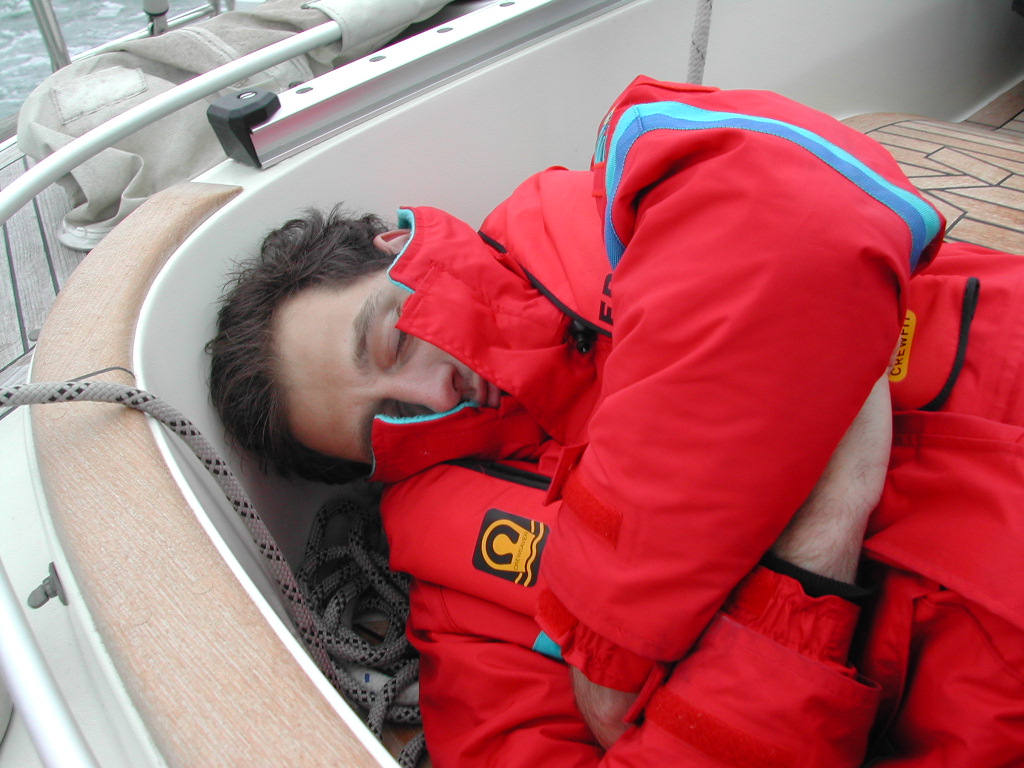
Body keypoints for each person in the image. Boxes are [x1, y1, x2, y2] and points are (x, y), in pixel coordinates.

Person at [208, 76, 1024, 765]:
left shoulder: (610, 205)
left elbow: (811, 210)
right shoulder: (464, 609)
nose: (430, 394)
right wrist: (820, 539)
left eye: (390, 340)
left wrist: (606, 627)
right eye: (385, 420)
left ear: (398, 246)